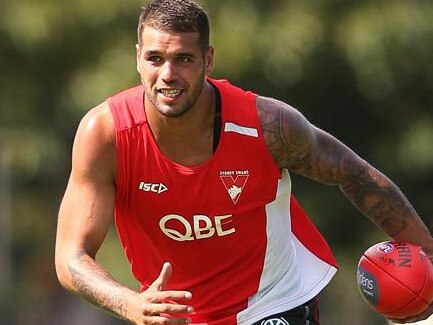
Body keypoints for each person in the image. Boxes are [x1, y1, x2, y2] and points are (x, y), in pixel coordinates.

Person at [54, 0, 433, 324]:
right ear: (138, 58)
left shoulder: (269, 126)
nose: (167, 75)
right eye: (155, 59)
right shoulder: (105, 135)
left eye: (183, 59)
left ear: (208, 60)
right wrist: (130, 303)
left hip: (274, 301)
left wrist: (427, 255)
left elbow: (353, 173)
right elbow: (71, 256)